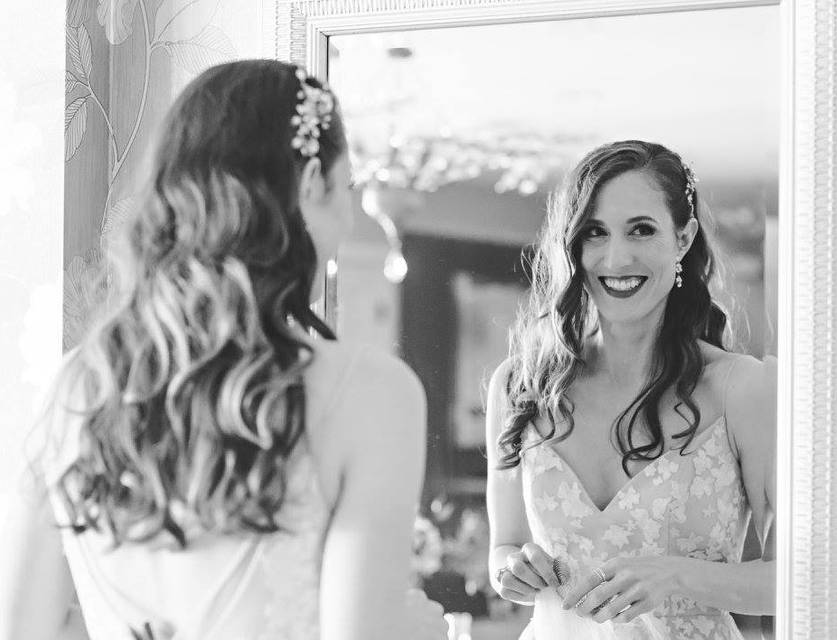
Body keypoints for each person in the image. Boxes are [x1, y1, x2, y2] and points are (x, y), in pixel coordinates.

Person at [3, 59, 446, 640]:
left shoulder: (76, 389)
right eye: (346, 189)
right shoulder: (373, 395)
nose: (348, 217)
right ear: (309, 183)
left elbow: (21, 629)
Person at [485, 140, 776, 639]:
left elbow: (800, 577)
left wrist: (677, 575)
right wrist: (512, 570)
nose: (616, 257)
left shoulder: (742, 388)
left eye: (641, 230)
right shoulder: (519, 385)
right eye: (594, 233)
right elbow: (504, 549)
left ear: (683, 238)